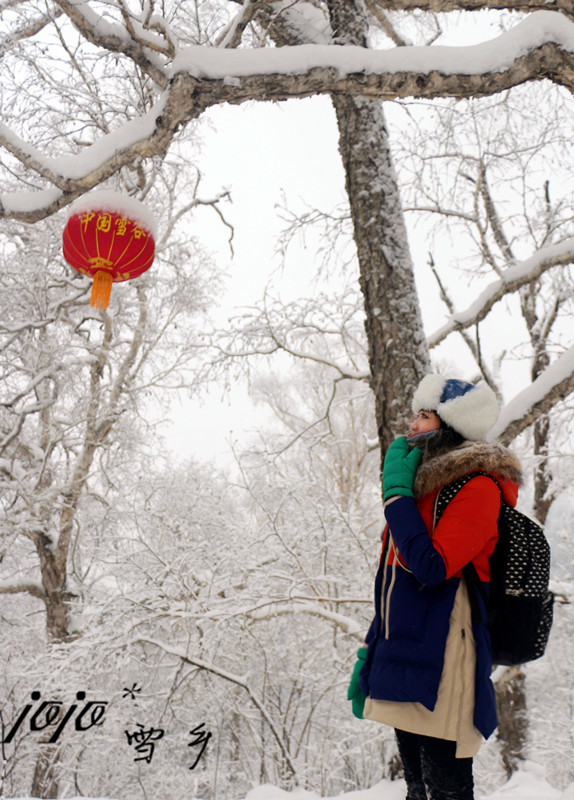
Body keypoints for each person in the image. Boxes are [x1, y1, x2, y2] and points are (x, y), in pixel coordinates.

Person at [347, 374, 522, 800]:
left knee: (447, 789)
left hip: (446, 653)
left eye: (423, 416)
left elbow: (431, 567)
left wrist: (396, 500)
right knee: (416, 788)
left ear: (451, 424)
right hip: (405, 649)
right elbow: (394, 578)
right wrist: (373, 647)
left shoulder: (478, 487)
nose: (411, 424)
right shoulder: (425, 489)